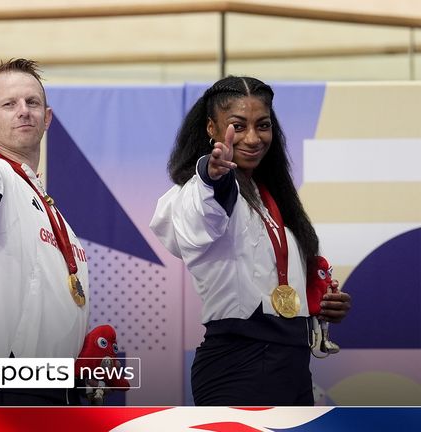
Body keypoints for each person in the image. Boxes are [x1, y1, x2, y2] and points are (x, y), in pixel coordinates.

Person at [149, 76, 352, 406]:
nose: (253, 138)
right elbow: (203, 218)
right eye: (238, 126)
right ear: (212, 129)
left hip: (293, 363)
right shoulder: (199, 192)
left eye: (263, 125)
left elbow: (275, 276)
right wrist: (212, 175)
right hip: (238, 364)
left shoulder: (271, 198)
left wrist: (322, 305)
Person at [0, 58, 89, 405]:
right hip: (3, 385)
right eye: (9, 104)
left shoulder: (46, 202)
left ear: (47, 117)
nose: (23, 111)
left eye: (32, 102)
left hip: (51, 386)